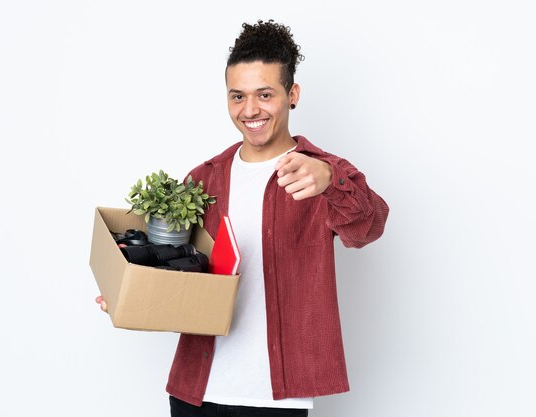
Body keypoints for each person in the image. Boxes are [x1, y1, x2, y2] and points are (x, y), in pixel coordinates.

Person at [97, 19, 389, 417]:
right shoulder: (204, 179)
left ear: (293, 94)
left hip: (273, 400)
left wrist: (332, 181)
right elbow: (181, 270)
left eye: (265, 94)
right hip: (195, 391)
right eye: (237, 96)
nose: (250, 110)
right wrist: (129, 289)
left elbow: (368, 229)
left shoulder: (319, 173)